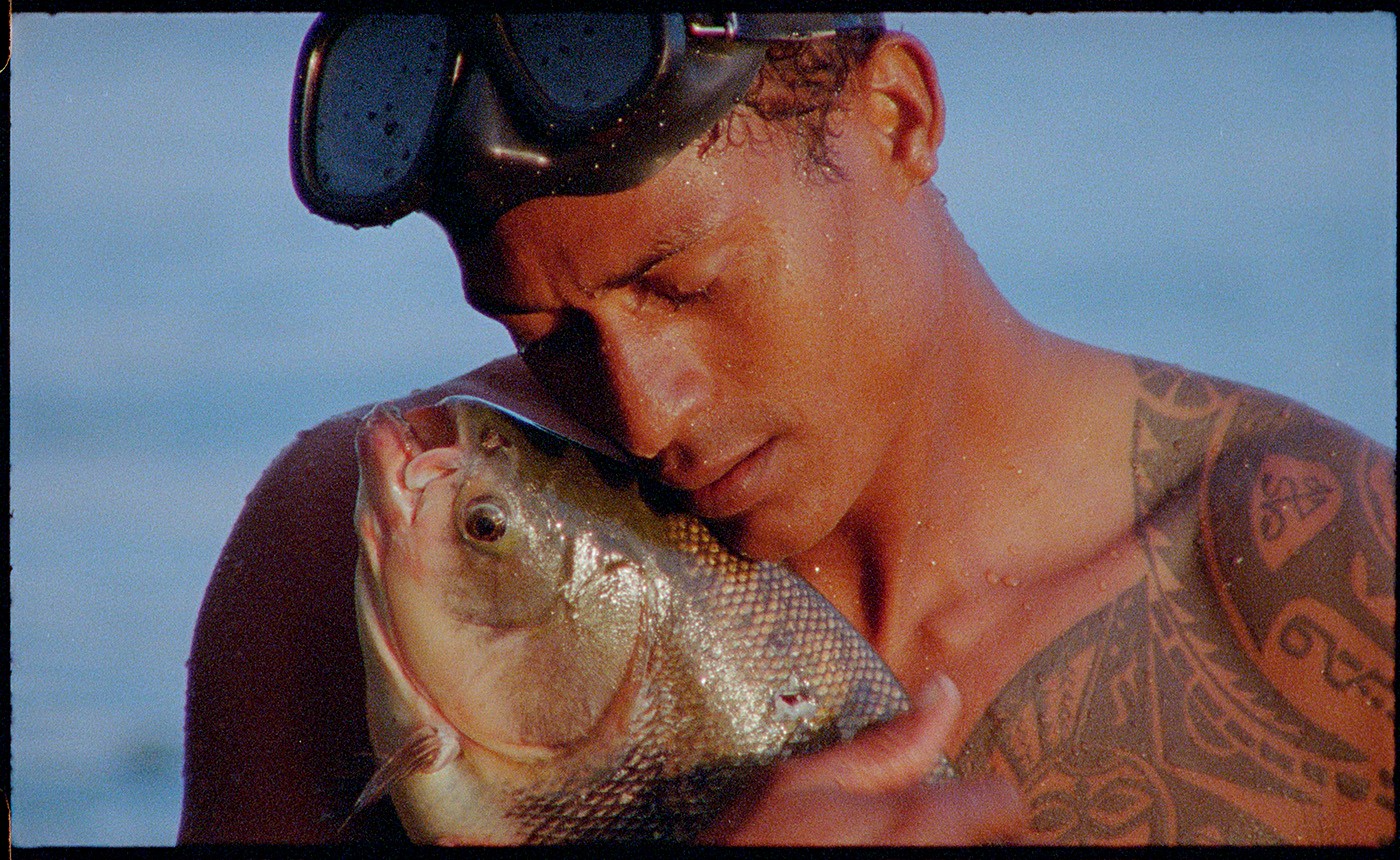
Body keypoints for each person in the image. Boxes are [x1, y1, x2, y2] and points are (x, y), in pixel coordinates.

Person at [179, 13, 1394, 845]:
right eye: (548, 330)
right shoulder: (372, 552)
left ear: (896, 119)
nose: (648, 413)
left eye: (686, 281)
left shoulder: (1329, 586)